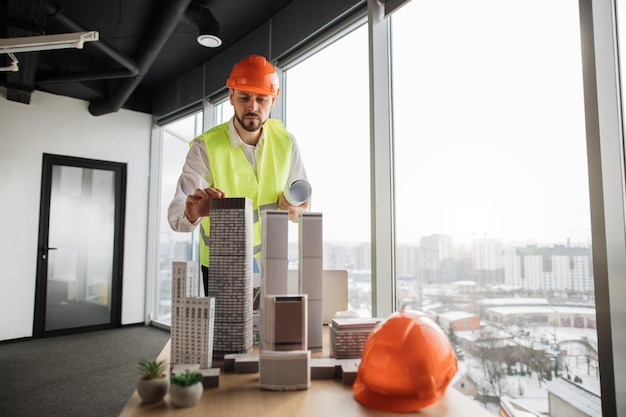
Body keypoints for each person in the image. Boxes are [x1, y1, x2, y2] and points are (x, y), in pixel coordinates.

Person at [168, 54, 310, 296]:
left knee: (272, 331)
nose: (252, 107)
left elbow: (303, 207)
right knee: (226, 333)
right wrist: (193, 212)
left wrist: (295, 211)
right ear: (230, 97)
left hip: (271, 263)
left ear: (273, 101)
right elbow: (175, 216)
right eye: (244, 97)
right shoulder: (206, 147)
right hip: (221, 267)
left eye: (261, 99)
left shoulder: (287, 142)